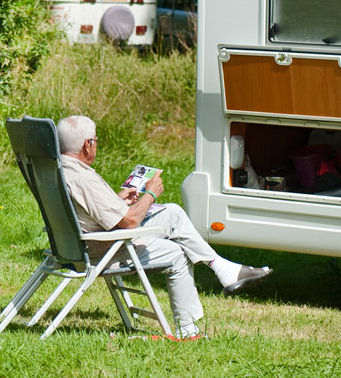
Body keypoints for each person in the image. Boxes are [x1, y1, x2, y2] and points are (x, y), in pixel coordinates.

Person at [56, 115, 271, 339]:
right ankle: (188, 331)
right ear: (87, 144)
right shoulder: (84, 179)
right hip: (103, 251)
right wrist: (150, 194)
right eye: (96, 141)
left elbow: (86, 212)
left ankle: (222, 268)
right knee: (177, 253)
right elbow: (130, 222)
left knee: (172, 212)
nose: (96, 145)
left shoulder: (61, 170)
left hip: (76, 246)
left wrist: (117, 201)